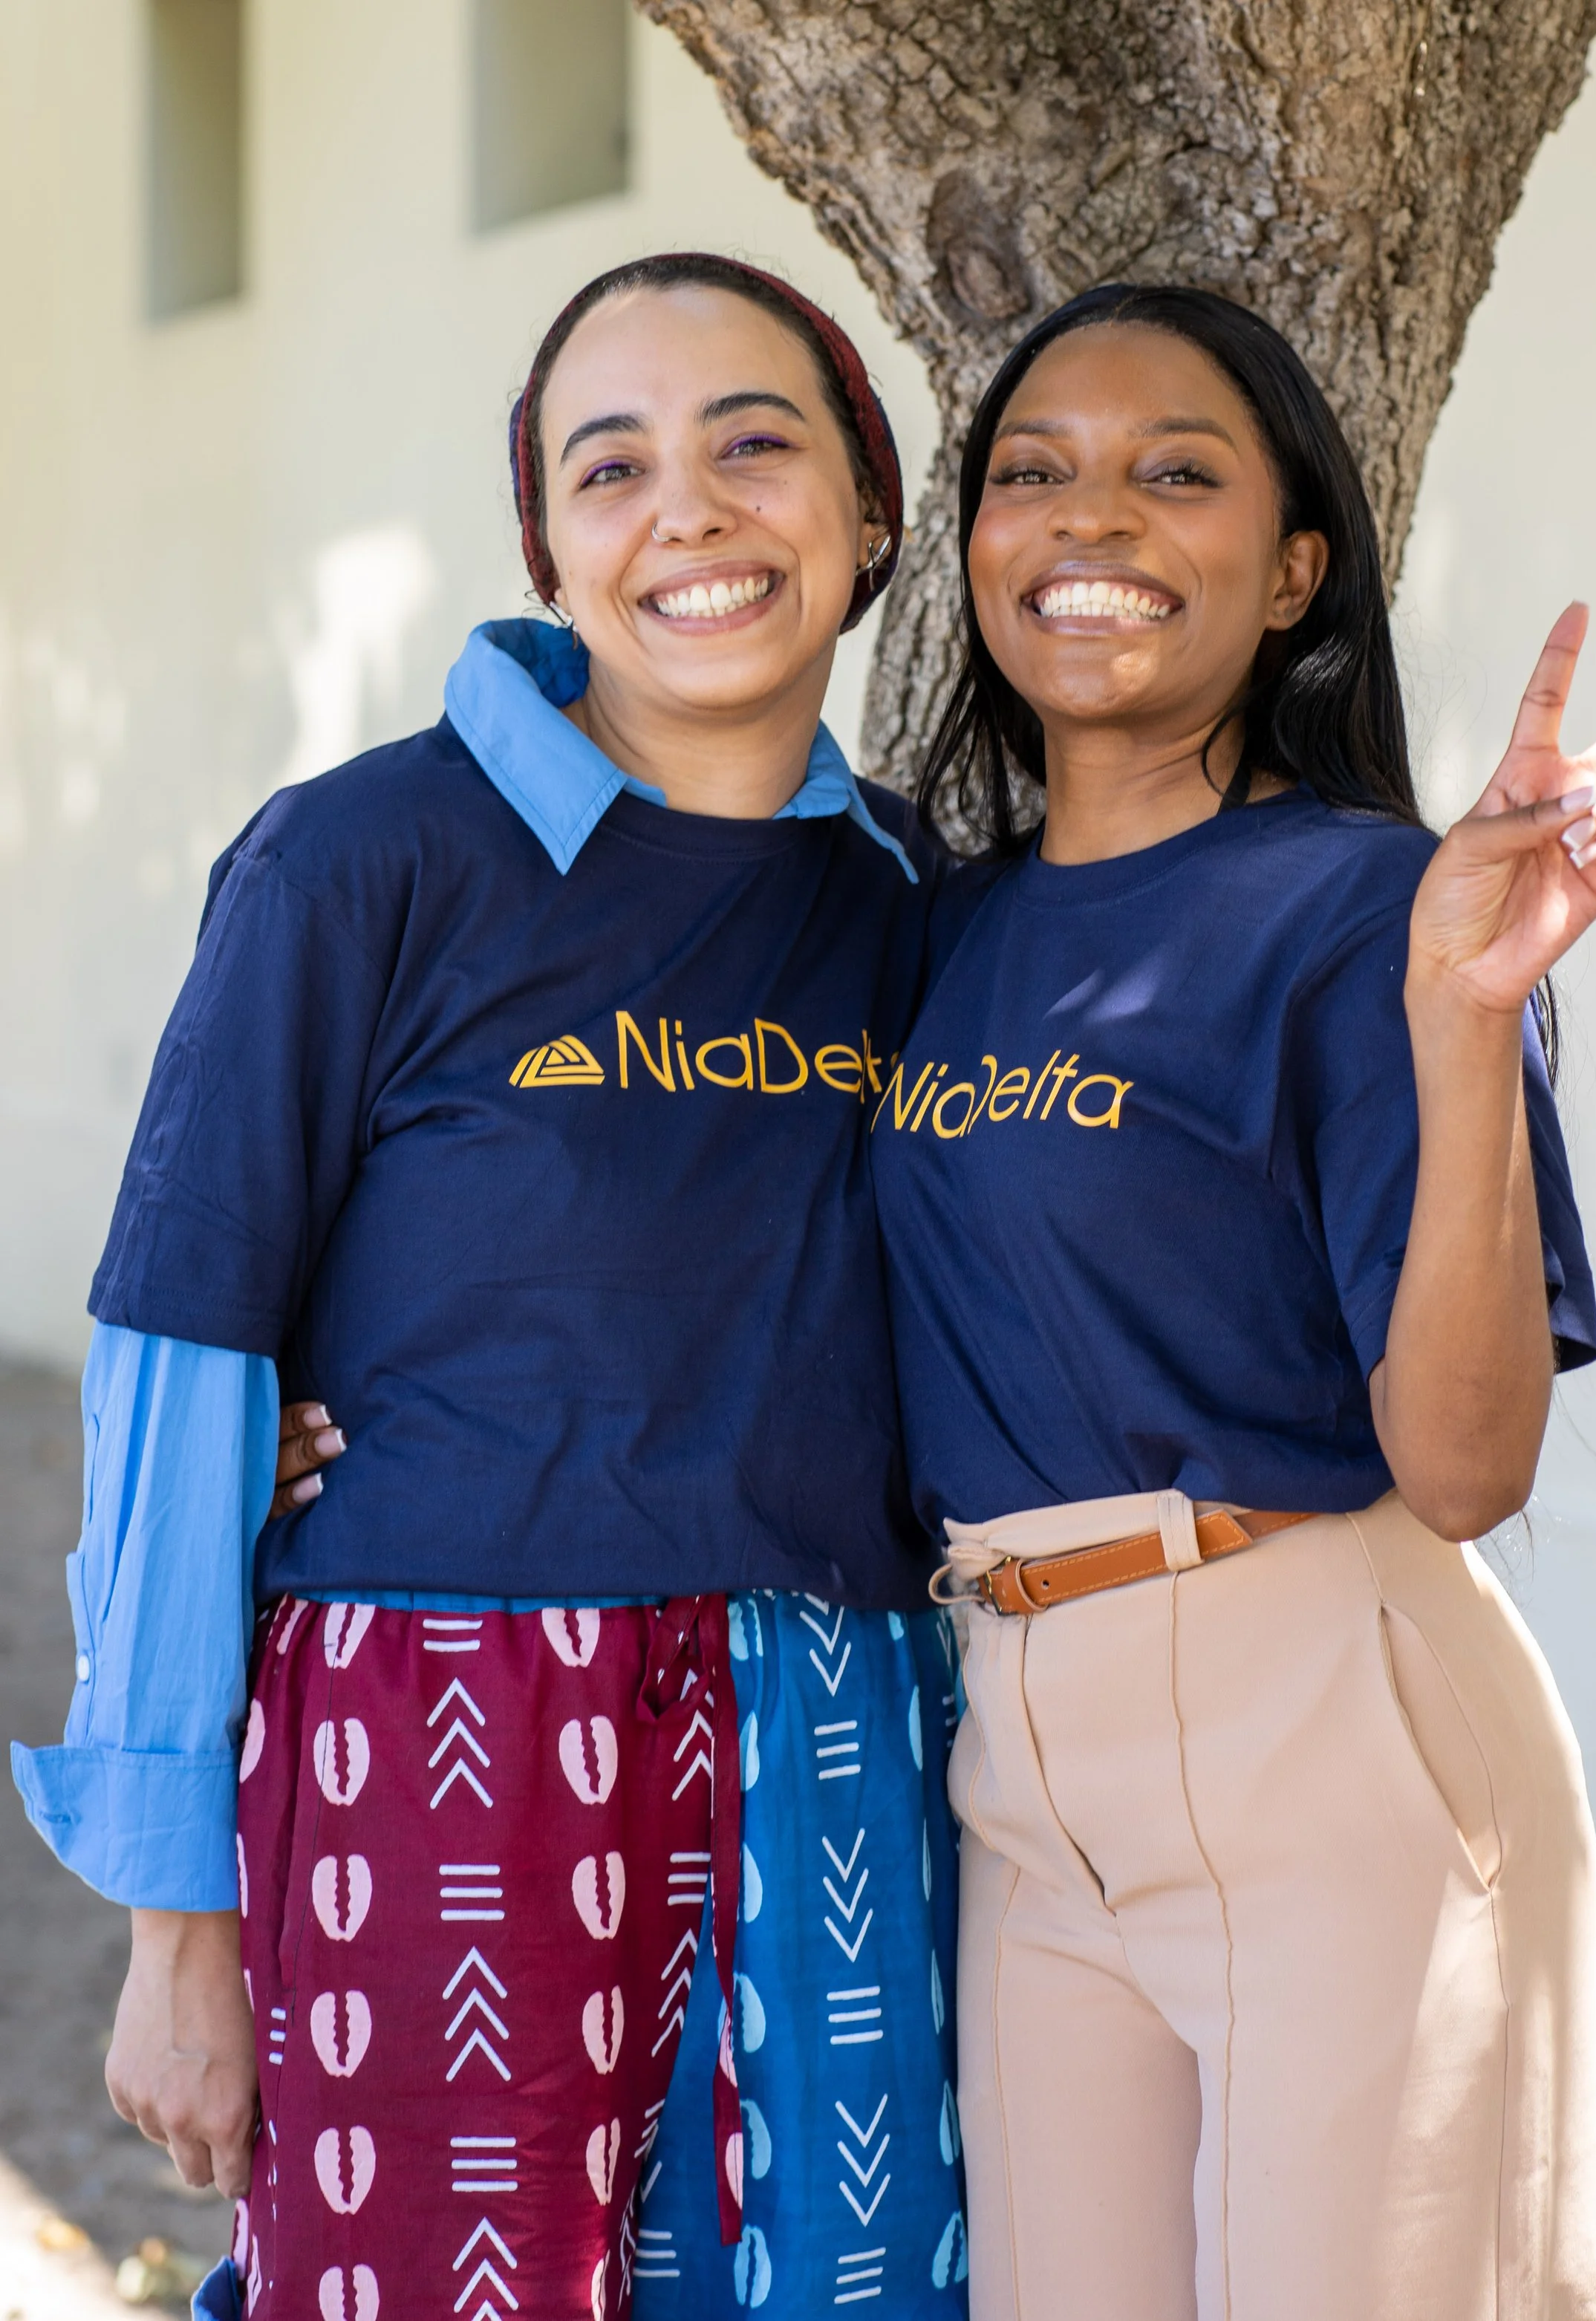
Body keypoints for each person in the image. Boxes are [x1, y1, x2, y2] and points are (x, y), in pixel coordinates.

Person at [12, 255, 968, 2321]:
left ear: (870, 509)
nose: (689, 512)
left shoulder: (919, 907)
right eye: (610, 467)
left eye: (753, 442)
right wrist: (182, 1922)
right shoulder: (361, 863)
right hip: (435, 1730)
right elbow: (183, 1362)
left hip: (838, 1732)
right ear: (549, 544)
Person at [869, 284, 1596, 2321]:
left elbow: (1460, 1462)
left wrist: (1461, 1021)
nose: (1093, 522)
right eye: (1032, 473)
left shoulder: (1373, 903)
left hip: (1316, 1717)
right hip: (1012, 1750)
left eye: (1178, 473)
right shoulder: (932, 927)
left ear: (1292, 569)